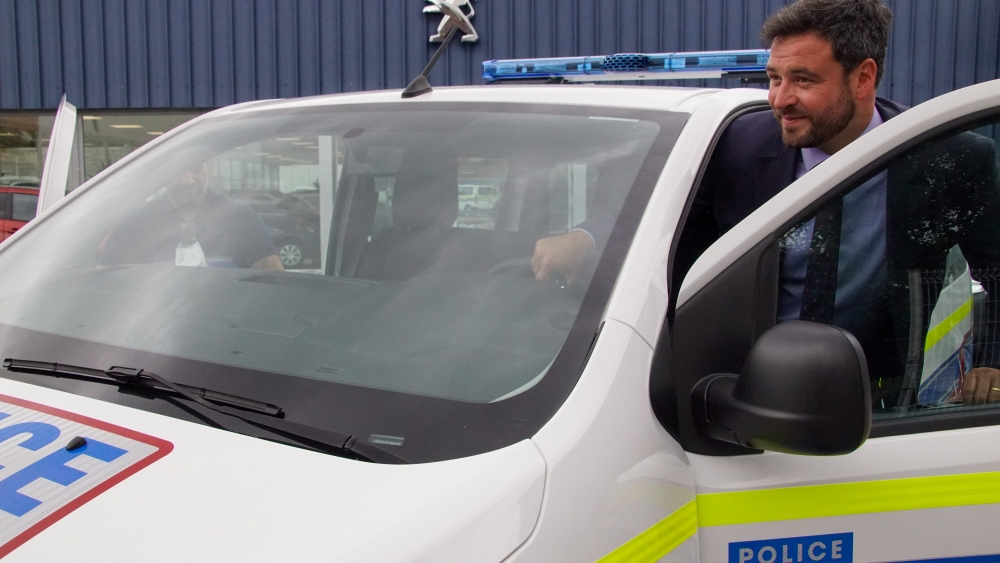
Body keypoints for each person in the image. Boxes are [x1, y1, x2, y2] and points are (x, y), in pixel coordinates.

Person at [533, 0, 1000, 404]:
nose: (779, 99)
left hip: (876, 399)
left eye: (802, 80)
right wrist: (586, 237)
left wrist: (993, 365)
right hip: (734, 391)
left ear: (863, 77)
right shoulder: (734, 145)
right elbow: (660, 216)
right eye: (773, 78)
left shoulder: (948, 160)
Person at [98, 163, 283, 270]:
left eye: (195, 169)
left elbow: (272, 283)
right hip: (152, 325)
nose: (188, 180)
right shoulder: (135, 224)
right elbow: (104, 285)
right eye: (179, 170)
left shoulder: (240, 218)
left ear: (208, 169)